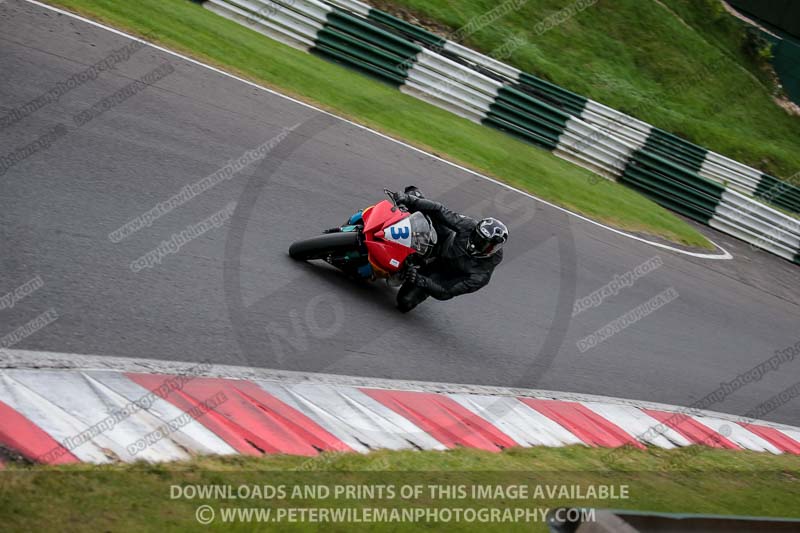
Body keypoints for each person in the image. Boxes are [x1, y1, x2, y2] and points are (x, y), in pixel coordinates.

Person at [391, 186, 508, 313]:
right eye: (477, 237)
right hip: (443, 242)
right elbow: (440, 210)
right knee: (416, 203)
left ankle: (412, 274)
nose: (477, 242)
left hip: (440, 274)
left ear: (493, 249)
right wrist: (409, 199)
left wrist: (419, 279)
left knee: (405, 302)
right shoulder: (469, 225)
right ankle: (414, 196)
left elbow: (446, 292)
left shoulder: (481, 276)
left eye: (484, 244)